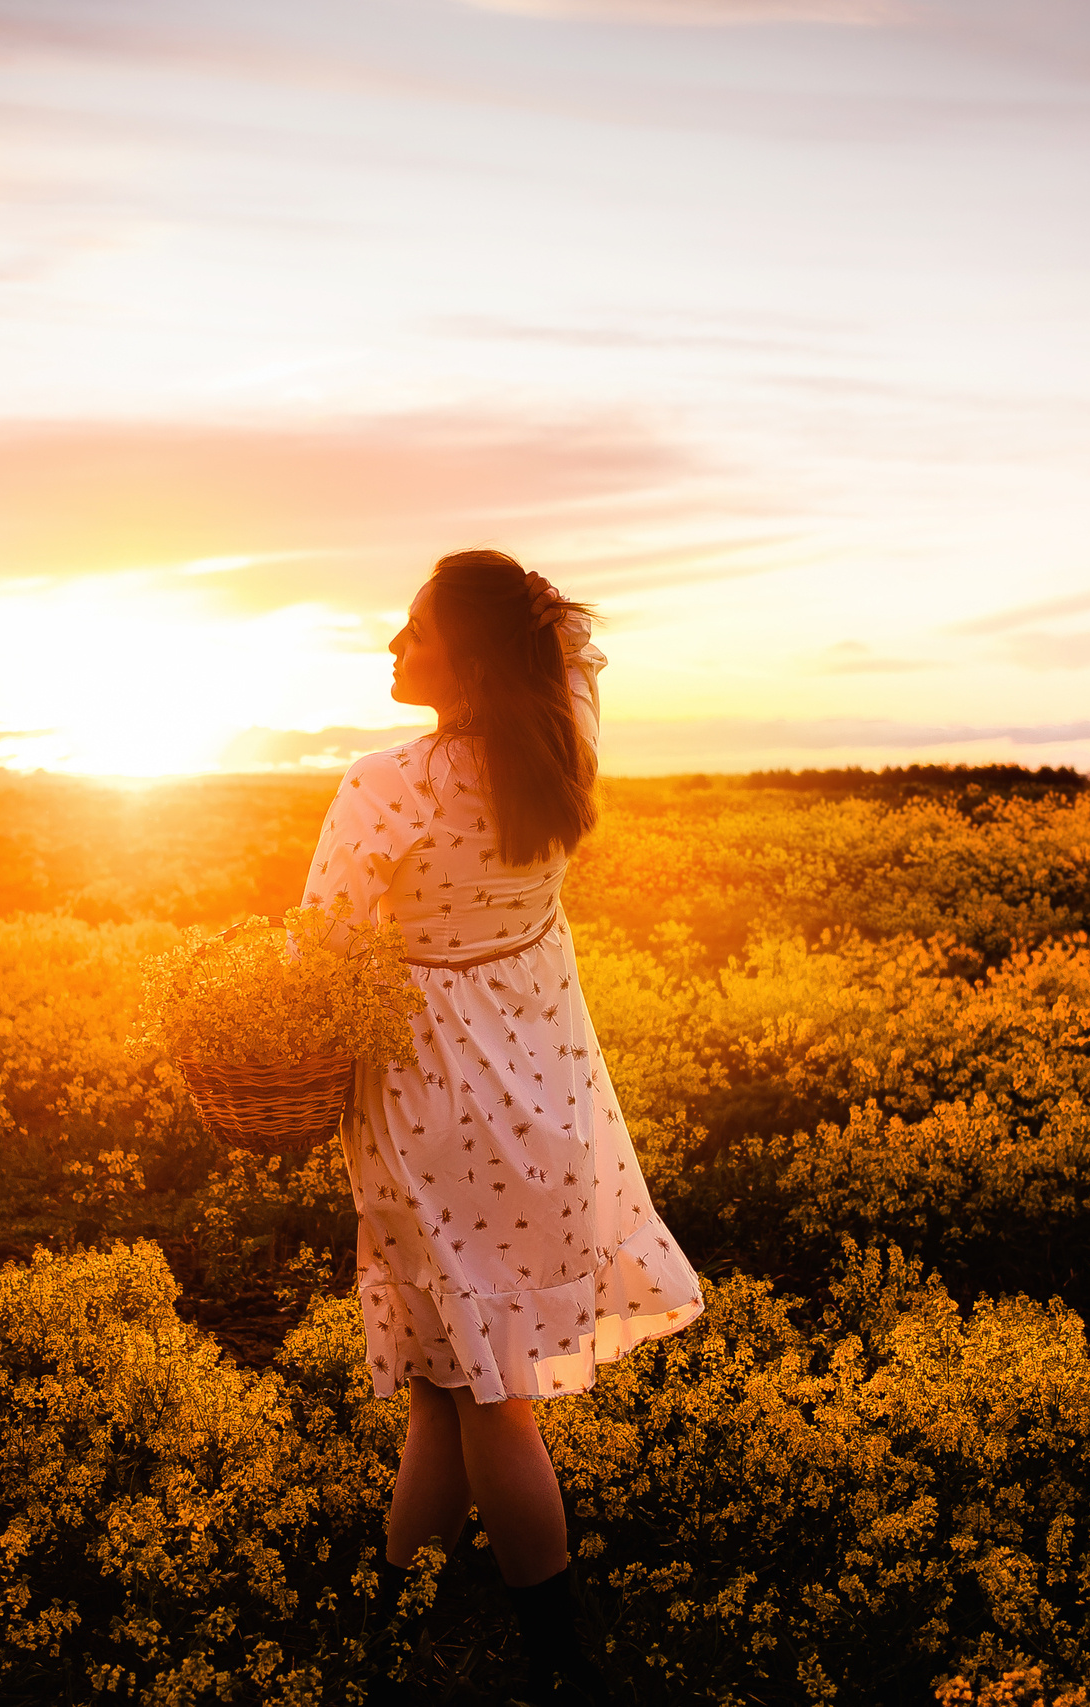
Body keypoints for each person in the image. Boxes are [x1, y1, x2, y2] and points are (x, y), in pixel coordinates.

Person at [301, 548, 705, 1702]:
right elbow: (572, 655)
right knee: (446, 1376)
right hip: (541, 1088)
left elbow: (317, 957)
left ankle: (559, 1659)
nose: (390, 647)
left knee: (489, 1395)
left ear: (468, 656)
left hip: (428, 1099)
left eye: (414, 627)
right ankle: (397, 1607)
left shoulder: (388, 782)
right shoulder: (559, 744)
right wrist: (504, 605)